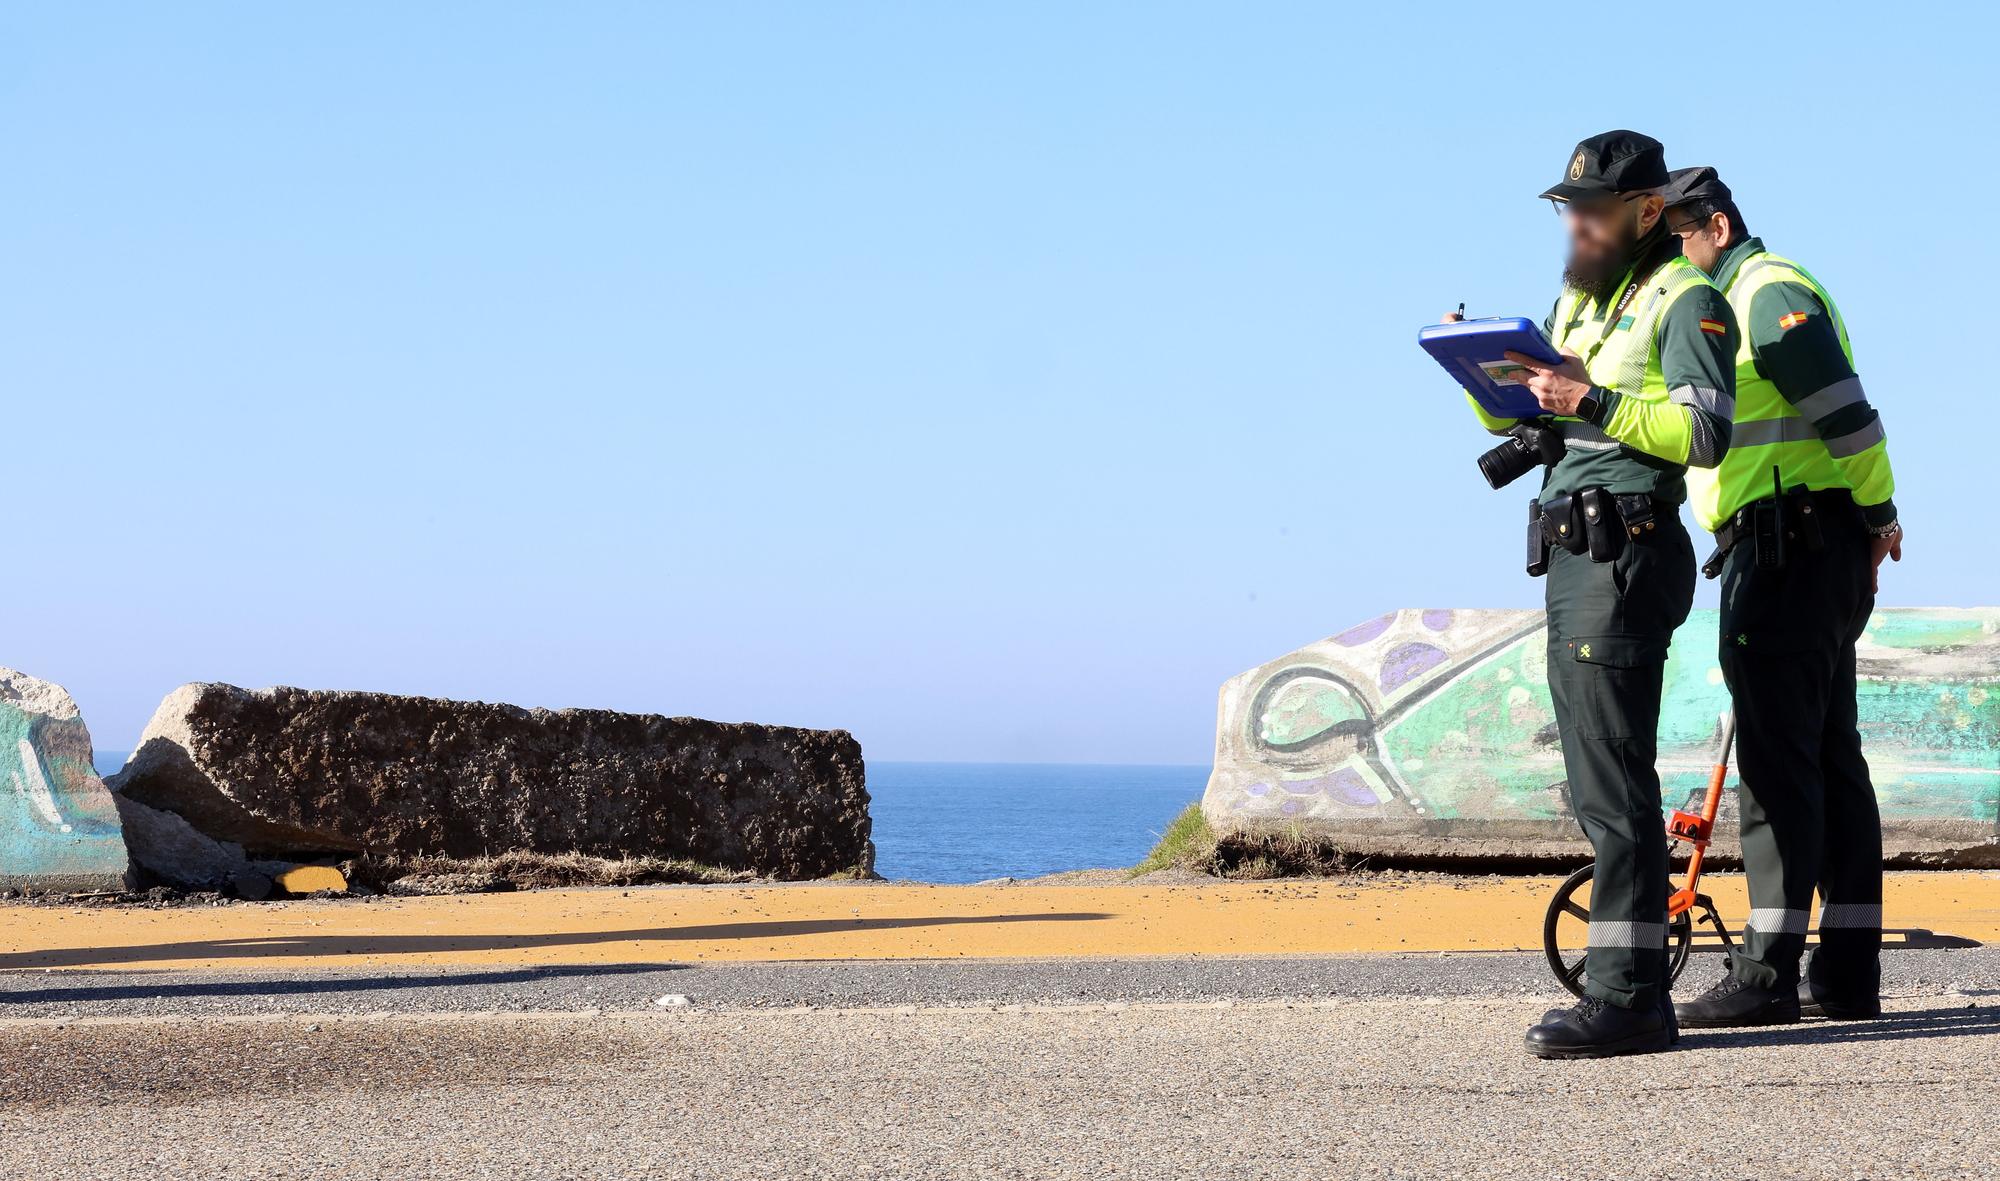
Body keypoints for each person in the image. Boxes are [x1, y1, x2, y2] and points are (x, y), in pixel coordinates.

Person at [1450, 130, 1738, 1059]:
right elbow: (1535, 407)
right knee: (1598, 780)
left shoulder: (1685, 297)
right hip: (1576, 551)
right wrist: (1488, 378)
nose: (1574, 224)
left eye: (1592, 210)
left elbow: (1704, 433)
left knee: (1615, 785)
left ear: (1648, 211)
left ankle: (1628, 999)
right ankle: (1627, 990)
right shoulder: (1580, 296)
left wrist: (1592, 403)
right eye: (1566, 209)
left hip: (1625, 549)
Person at [1661, 166, 1901, 1027]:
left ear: (1717, 228)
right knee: (1832, 764)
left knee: (1775, 764)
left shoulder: (1763, 292)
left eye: (1677, 236)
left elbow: (1847, 412)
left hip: (1789, 550)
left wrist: (1879, 514)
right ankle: (1845, 973)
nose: (1671, 255)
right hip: (1807, 546)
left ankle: (1767, 974)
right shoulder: (1745, 296)